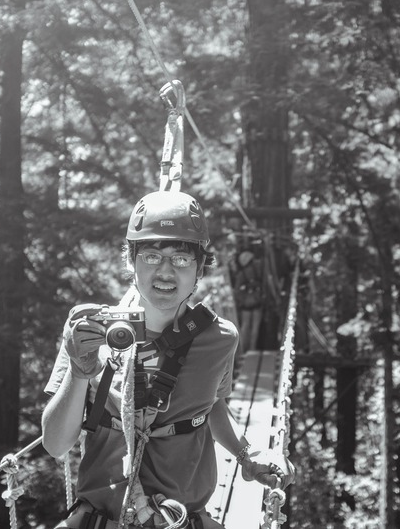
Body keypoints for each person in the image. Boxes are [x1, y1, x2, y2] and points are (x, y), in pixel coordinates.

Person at [42, 191, 295, 529]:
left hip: (182, 519)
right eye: (151, 256)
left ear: (200, 268)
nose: (165, 272)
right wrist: (79, 371)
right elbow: (55, 444)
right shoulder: (91, 334)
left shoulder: (219, 339)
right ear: (130, 262)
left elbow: (211, 406)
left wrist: (247, 456)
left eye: (181, 259)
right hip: (102, 519)